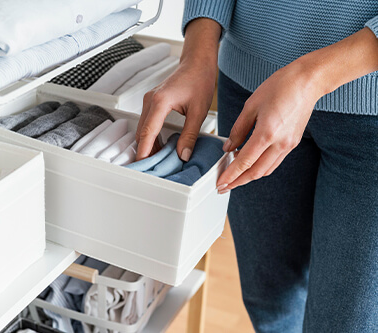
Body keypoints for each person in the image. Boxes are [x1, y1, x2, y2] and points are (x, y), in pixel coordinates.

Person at [135, 1, 378, 332]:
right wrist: (198, 55)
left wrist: (312, 77)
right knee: (268, 302)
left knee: (345, 325)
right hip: (250, 85)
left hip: (371, 117)